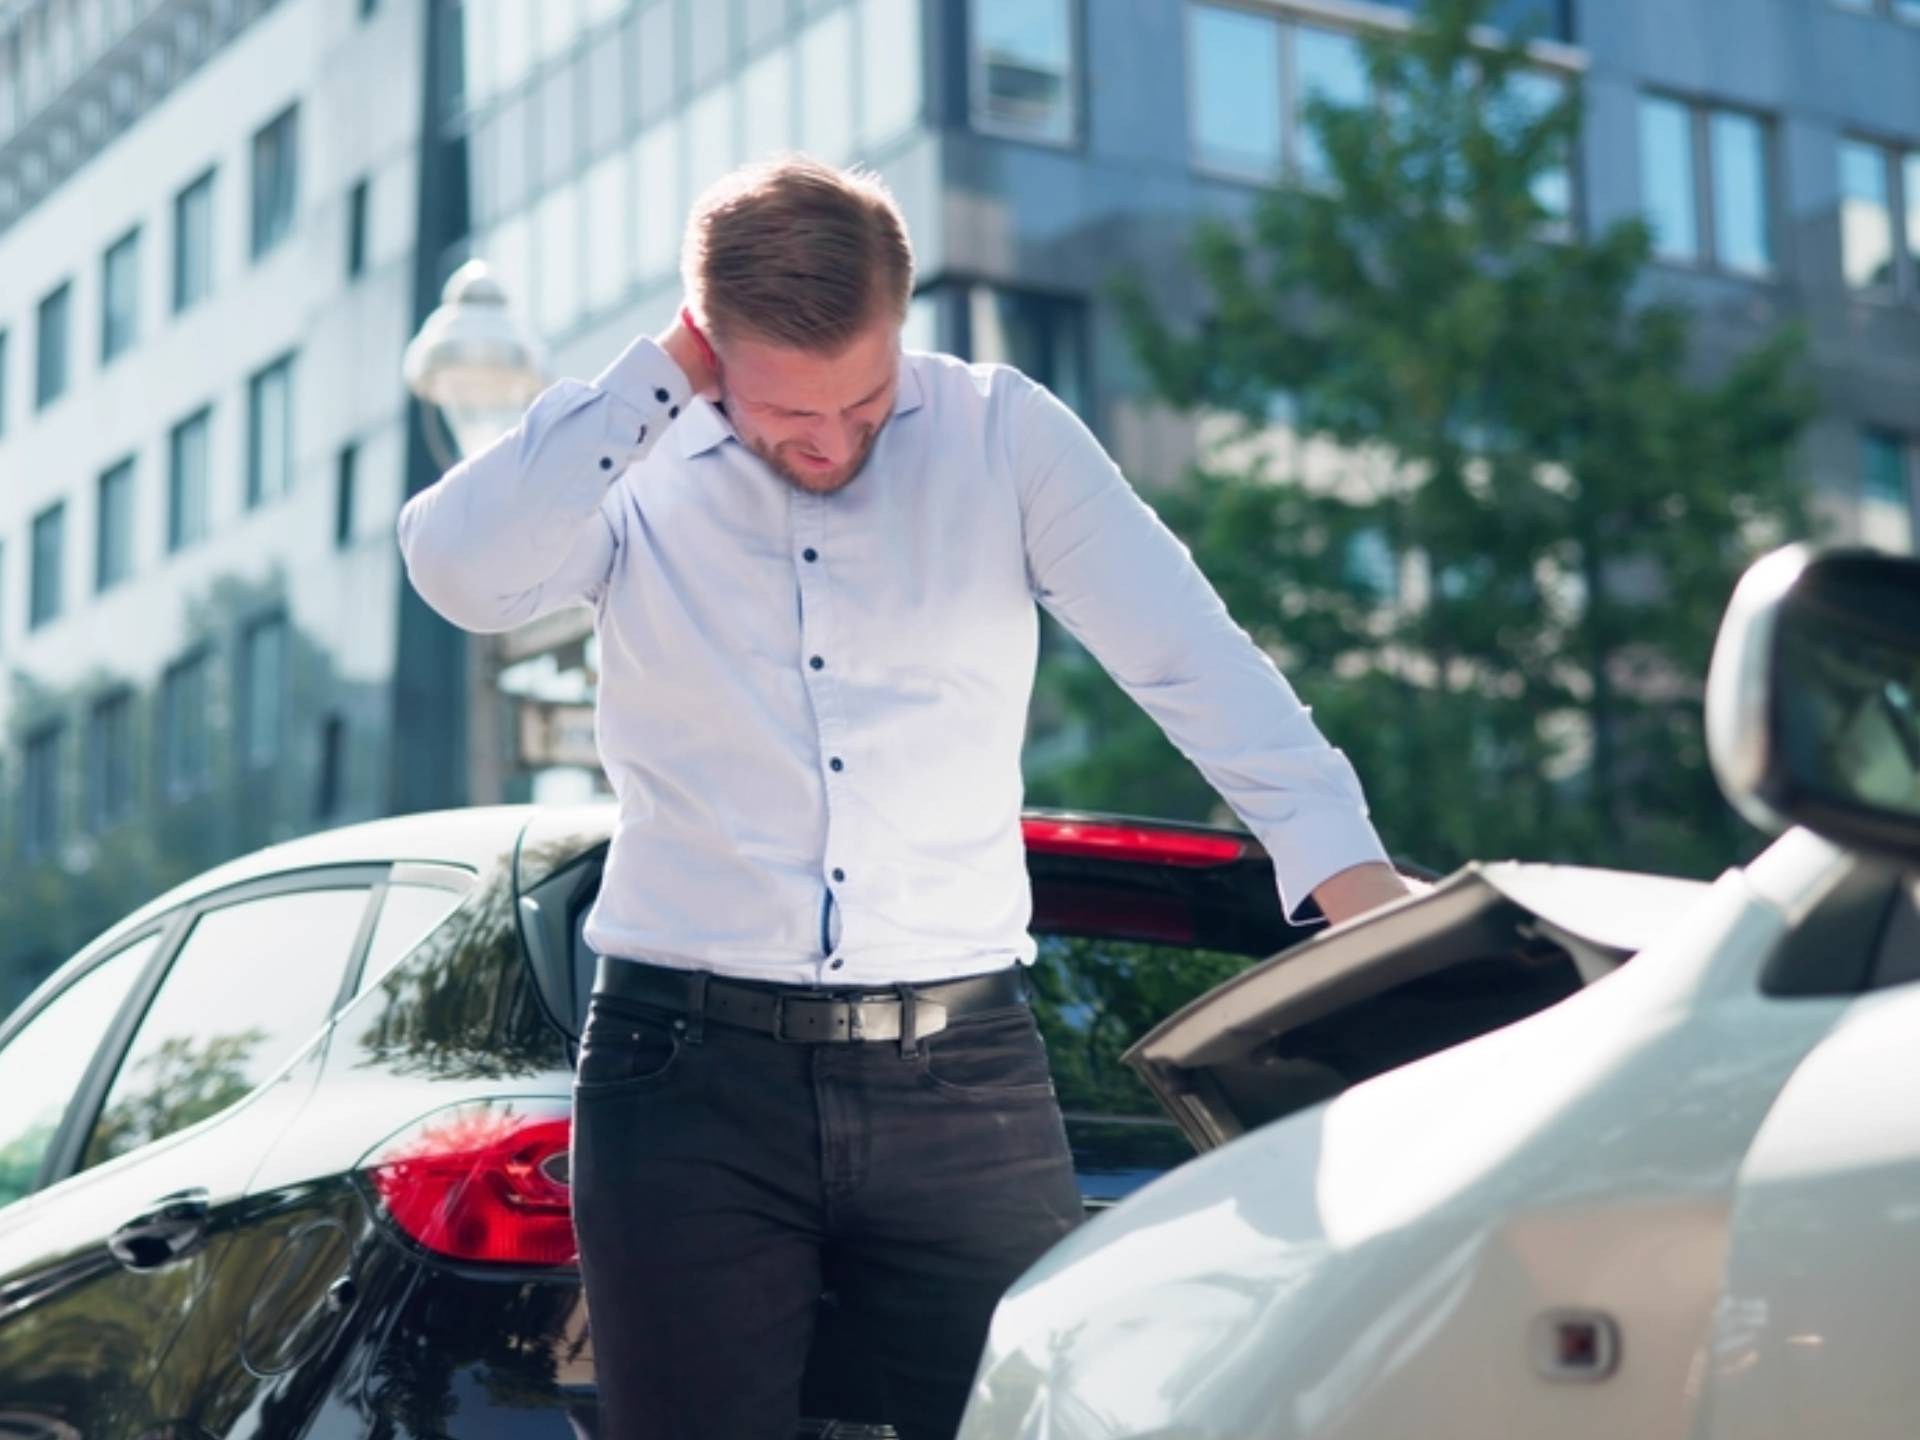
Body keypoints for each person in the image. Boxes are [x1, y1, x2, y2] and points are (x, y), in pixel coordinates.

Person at [397, 154, 1414, 1440]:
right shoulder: (633, 462)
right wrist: (660, 375)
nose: (830, 444)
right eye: (786, 415)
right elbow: (458, 573)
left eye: (865, 403)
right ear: (707, 347)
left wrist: (1349, 876)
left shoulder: (1005, 434)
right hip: (685, 1084)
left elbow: (1193, 660)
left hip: (964, 1083)